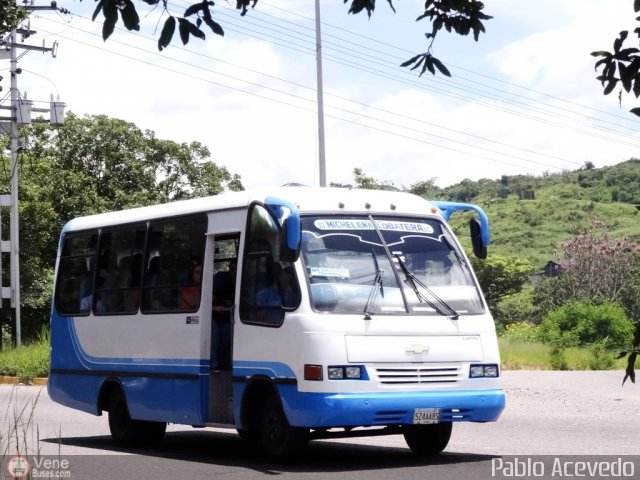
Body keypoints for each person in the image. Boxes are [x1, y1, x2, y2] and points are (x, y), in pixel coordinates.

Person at [211, 259, 236, 371]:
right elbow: (210, 297)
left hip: (229, 317)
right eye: (231, 269)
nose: (233, 272)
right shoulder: (221, 279)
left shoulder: (245, 281)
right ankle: (214, 363)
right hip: (214, 315)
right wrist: (221, 302)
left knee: (227, 336)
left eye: (235, 269)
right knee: (216, 332)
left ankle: (223, 362)